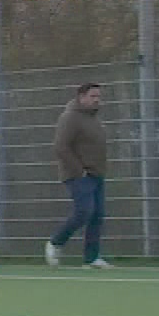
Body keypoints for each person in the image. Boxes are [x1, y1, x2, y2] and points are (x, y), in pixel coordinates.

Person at [46, 83, 112, 269]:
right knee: (84, 211)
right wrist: (78, 169)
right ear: (81, 97)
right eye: (93, 96)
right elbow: (61, 146)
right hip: (78, 175)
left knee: (97, 215)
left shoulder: (94, 119)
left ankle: (91, 258)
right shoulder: (70, 118)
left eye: (98, 96)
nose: (97, 100)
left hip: (97, 174)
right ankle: (56, 242)